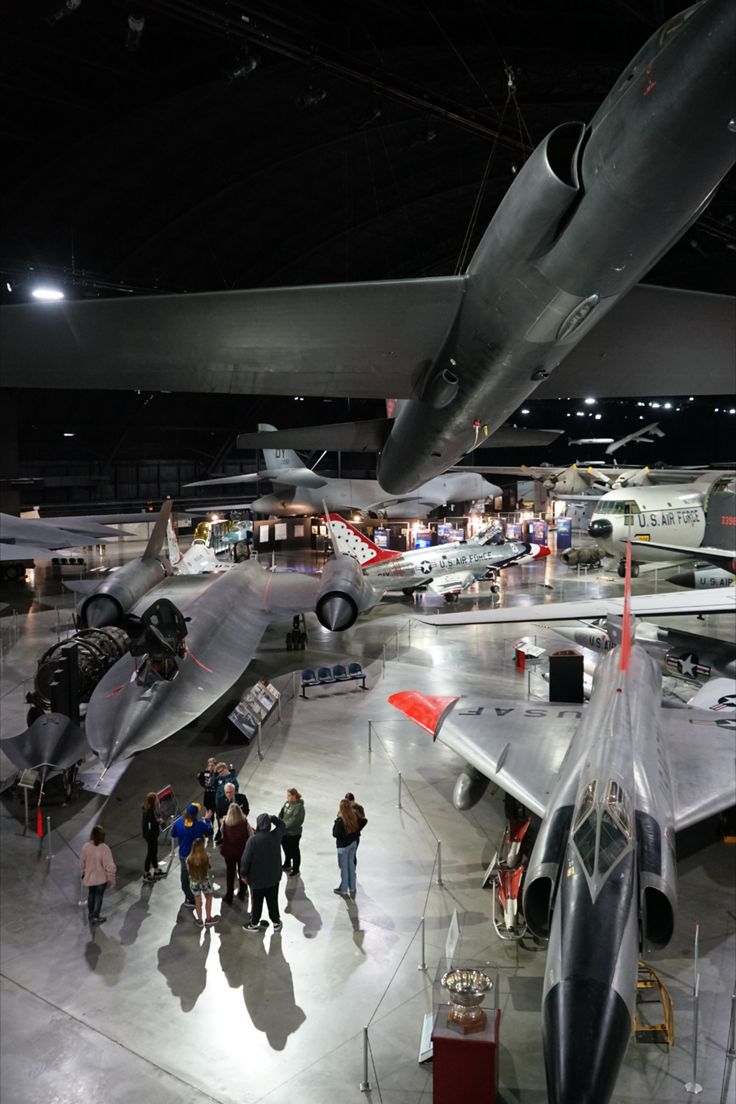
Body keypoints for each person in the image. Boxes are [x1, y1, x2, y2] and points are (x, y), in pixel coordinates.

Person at [241, 813, 285, 932]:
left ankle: (254, 923)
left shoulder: (253, 841)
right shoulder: (276, 836)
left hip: (257, 879)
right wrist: (273, 818)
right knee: (273, 901)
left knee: (257, 902)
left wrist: (243, 874)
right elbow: (282, 825)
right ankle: (276, 922)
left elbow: (245, 860)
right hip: (273, 878)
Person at [170, 802, 214, 908]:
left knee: (185, 879)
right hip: (198, 857)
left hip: (184, 856)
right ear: (195, 814)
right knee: (199, 877)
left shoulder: (179, 823)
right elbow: (210, 831)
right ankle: (202, 894)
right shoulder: (200, 824)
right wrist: (207, 820)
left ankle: (191, 898)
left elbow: (173, 834)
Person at [79, 824, 116, 924]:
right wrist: (111, 879)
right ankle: (95, 916)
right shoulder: (104, 848)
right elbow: (110, 866)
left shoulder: (86, 847)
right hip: (101, 879)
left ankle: (91, 915)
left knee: (91, 895)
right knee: (98, 897)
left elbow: (82, 863)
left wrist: (83, 873)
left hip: (90, 878)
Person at [332, 798, 367, 897]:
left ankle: (343, 889)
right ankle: (352, 887)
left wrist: (336, 822)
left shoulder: (341, 819)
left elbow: (335, 834)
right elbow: (364, 821)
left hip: (343, 846)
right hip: (353, 844)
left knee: (344, 868)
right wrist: (356, 832)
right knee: (351, 865)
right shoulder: (354, 814)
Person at [221, 802, 251, 905]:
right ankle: (242, 893)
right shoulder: (244, 822)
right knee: (242, 873)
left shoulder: (225, 822)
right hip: (242, 852)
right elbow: (251, 835)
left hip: (229, 853)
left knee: (230, 874)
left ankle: (229, 896)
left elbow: (222, 832)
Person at [187, 838, 217, 927]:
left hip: (194, 882)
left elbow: (188, 871)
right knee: (208, 898)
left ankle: (199, 921)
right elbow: (208, 868)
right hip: (204, 881)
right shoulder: (206, 856)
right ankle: (208, 919)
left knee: (198, 900)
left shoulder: (189, 859)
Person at [279, 787, 305, 876]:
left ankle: (296, 869)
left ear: (294, 796)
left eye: (289, 795)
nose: (287, 797)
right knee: (286, 849)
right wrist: (279, 820)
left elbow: (294, 821)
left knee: (294, 851)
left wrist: (282, 825)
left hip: (293, 834)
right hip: (285, 832)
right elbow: (281, 813)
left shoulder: (299, 807)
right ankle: (287, 864)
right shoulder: (287, 803)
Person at [213, 762, 241, 842]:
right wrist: (215, 774)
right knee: (219, 817)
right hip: (219, 802)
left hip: (228, 803)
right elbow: (211, 784)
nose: (220, 774)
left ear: (225, 769)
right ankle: (220, 832)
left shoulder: (233, 779)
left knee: (229, 819)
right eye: (219, 772)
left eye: (221, 771)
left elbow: (236, 793)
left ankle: (228, 835)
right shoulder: (219, 777)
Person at [141, 791, 165, 881]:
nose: (158, 799)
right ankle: (146, 873)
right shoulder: (149, 811)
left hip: (152, 835)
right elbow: (150, 825)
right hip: (150, 835)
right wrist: (159, 822)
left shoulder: (151, 809)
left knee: (154, 852)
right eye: (156, 798)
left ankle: (156, 870)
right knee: (150, 853)